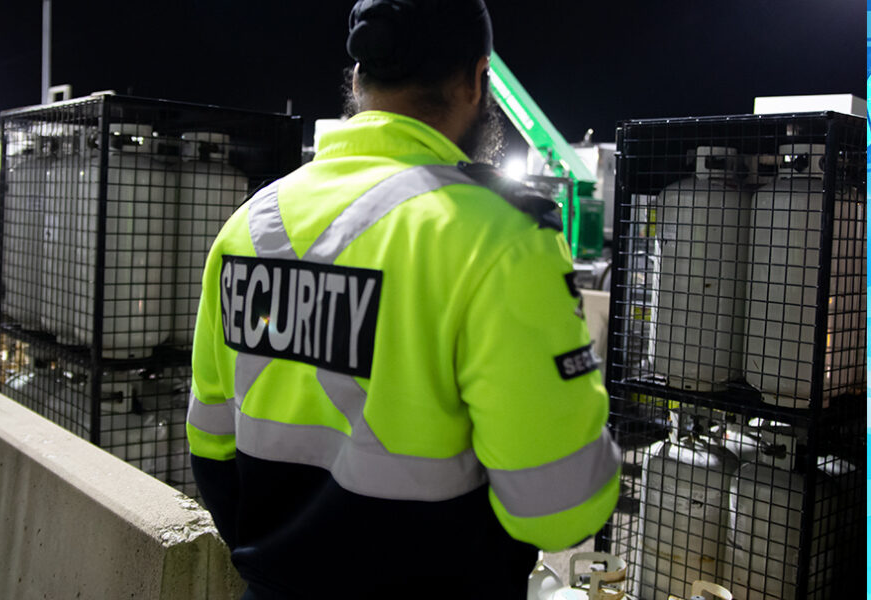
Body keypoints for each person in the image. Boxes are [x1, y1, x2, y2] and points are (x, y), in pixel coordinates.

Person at [186, 1, 620, 597]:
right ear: (476, 80)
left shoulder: (246, 228)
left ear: (359, 79)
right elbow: (560, 508)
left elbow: (211, 451)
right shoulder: (500, 240)